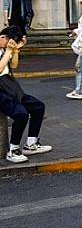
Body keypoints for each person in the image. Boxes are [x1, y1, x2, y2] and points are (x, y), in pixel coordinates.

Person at [0, 26, 52, 163]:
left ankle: (31, 144)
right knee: (21, 114)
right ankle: (13, 150)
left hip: (10, 87)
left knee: (38, 107)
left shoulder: (6, 48)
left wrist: (15, 50)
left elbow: (14, 65)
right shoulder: (5, 49)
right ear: (3, 37)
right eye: (11, 41)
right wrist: (9, 50)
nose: (12, 43)